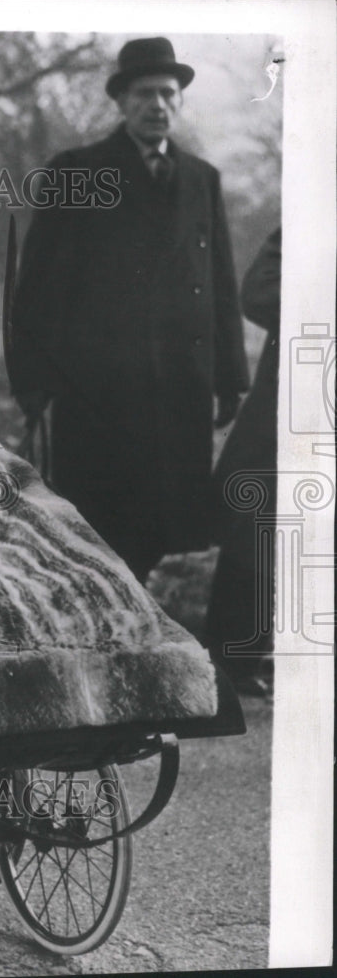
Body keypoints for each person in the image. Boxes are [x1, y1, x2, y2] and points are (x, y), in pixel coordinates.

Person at [4, 37, 250, 583]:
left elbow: (220, 285)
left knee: (168, 521)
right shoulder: (79, 169)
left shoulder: (200, 178)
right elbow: (38, 287)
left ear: (180, 101)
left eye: (168, 93)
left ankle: (150, 628)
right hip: (100, 391)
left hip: (181, 386)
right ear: (121, 101)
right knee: (104, 522)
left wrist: (230, 376)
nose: (157, 104)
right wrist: (34, 383)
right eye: (144, 93)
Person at [205, 227, 280, 696]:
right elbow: (259, 292)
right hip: (295, 402)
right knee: (256, 526)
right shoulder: (316, 217)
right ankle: (234, 660)